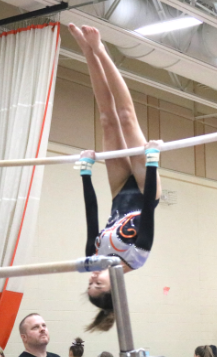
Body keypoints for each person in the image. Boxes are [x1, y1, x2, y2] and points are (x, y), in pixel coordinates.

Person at [68, 23, 161, 332]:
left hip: (119, 191)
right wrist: (151, 162)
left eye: (90, 284)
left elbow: (90, 215)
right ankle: (102, 51)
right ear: (114, 287)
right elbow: (147, 210)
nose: (92, 278)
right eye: (98, 285)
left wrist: (85, 172)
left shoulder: (92, 258)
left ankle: (87, 53)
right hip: (146, 189)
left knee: (108, 121)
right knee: (125, 117)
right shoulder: (136, 257)